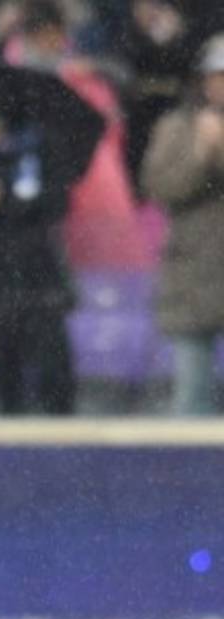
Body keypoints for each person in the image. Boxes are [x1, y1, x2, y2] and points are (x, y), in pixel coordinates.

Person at [0, 97, 78, 415]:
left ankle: (61, 439)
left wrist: (1, 198)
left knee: (52, 371)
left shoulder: (39, 150)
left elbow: (56, 202)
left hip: (37, 276)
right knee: (4, 373)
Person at [142, 33, 224, 414]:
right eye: (216, 75)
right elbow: (161, 187)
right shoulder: (177, 126)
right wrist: (201, 155)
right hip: (195, 275)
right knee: (192, 399)